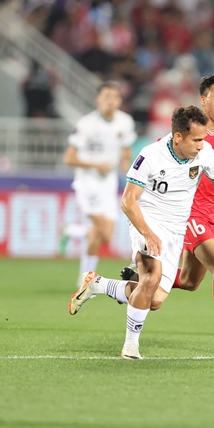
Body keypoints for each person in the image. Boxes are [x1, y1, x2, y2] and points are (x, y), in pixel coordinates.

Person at [69, 105, 214, 360]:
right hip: (147, 220)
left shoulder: (205, 153)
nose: (202, 145)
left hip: (176, 229)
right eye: (196, 140)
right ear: (178, 137)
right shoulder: (151, 156)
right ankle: (130, 347)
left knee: (152, 300)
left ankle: (99, 284)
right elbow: (127, 201)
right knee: (151, 278)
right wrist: (148, 233)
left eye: (203, 139)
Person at [124, 72, 214, 355]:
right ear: (204, 101)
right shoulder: (180, 137)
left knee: (189, 282)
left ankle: (129, 281)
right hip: (188, 215)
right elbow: (159, 163)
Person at [62, 82, 136, 285]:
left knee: (104, 236)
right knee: (100, 230)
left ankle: (71, 233)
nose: (110, 100)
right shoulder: (86, 124)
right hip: (88, 183)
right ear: (98, 99)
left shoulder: (125, 122)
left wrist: (124, 162)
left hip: (108, 184)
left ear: (120, 100)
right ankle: (85, 280)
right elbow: (69, 158)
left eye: (114, 96)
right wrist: (96, 165)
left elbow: (126, 148)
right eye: (106, 96)